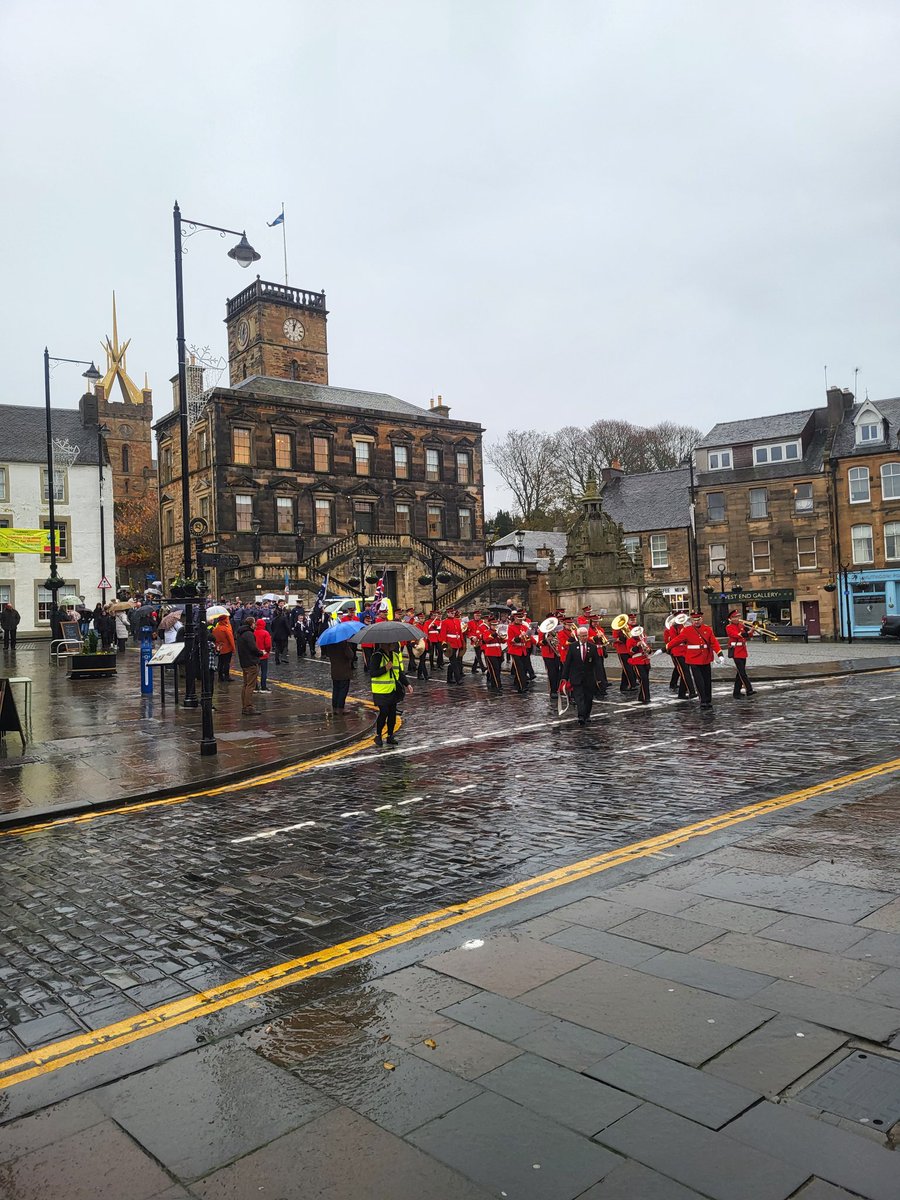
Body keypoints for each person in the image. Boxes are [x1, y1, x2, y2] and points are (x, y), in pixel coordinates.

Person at [668, 610, 723, 709]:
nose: (696, 621)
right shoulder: (687, 630)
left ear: (702, 619)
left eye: (698, 619)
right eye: (694, 619)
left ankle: (708, 699)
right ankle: (703, 700)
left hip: (706, 658)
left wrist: (720, 654)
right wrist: (665, 648)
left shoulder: (707, 629)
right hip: (693, 659)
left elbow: (714, 642)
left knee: (707, 680)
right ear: (692, 620)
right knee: (699, 681)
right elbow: (676, 640)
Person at [369, 640, 412, 747]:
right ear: (383, 644)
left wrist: (407, 684)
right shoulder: (377, 656)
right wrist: (385, 668)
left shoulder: (395, 656)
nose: (393, 645)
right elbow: (373, 673)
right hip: (380, 691)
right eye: (390, 644)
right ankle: (378, 735)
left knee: (392, 713)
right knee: (384, 712)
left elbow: (399, 673)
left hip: (392, 690)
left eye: (393, 644)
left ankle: (390, 736)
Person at [560, 624, 600, 725]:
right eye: (582, 636)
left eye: (586, 635)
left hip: (589, 677)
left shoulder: (593, 647)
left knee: (588, 698)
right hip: (576, 677)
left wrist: (599, 678)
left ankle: (587, 715)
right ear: (578, 636)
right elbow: (568, 663)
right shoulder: (573, 647)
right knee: (579, 697)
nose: (585, 637)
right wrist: (564, 677)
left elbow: (597, 664)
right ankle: (581, 715)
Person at [726, 610, 755, 698]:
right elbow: (737, 635)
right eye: (734, 617)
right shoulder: (729, 627)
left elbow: (749, 636)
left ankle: (736, 692)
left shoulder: (741, 625)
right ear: (730, 619)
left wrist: (752, 630)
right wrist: (747, 633)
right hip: (735, 651)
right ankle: (749, 690)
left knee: (740, 673)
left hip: (742, 650)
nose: (737, 619)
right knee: (742, 673)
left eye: (738, 617)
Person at [236, 616, 262, 715]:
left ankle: (244, 706)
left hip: (244, 662)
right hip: (251, 662)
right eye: (254, 623)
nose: (255, 625)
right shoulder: (249, 634)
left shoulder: (240, 633)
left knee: (245, 685)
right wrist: (260, 653)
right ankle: (248, 707)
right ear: (251, 624)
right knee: (250, 686)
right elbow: (253, 648)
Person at [321, 639, 355, 709]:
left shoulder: (330, 644)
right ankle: (340, 707)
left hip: (334, 671)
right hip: (344, 672)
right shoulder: (343, 643)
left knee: (336, 690)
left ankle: (335, 706)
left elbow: (328, 654)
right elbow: (351, 655)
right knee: (343, 691)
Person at [625, 625, 652, 705]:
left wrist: (648, 649)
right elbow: (630, 652)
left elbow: (649, 650)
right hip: (637, 661)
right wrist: (637, 645)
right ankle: (646, 697)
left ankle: (641, 696)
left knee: (645, 679)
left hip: (645, 661)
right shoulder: (630, 640)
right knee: (644, 679)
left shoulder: (643, 639)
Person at [440, 608, 465, 684]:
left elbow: (460, 633)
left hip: (457, 643)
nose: (452, 613)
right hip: (449, 644)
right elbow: (443, 634)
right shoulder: (445, 622)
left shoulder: (457, 621)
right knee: (454, 661)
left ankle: (449, 678)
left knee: (453, 661)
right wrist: (444, 645)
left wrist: (462, 643)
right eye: (451, 612)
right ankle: (458, 679)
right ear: (447, 613)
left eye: (453, 612)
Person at [212, 614, 236, 682]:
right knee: (226, 663)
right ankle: (226, 676)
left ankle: (220, 676)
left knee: (220, 662)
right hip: (227, 648)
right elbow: (231, 639)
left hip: (219, 647)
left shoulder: (215, 629)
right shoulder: (226, 629)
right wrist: (233, 648)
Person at [254, 618, 273, 691]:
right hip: (263, 655)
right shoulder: (265, 633)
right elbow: (268, 645)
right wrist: (267, 651)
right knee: (264, 672)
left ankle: (255, 686)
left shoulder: (253, 632)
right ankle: (263, 686)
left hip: (255, 655)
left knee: (255, 672)